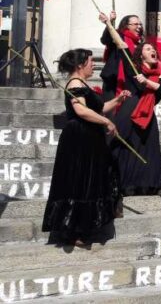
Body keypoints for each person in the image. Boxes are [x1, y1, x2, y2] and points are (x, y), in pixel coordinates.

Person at [43, 49, 127, 245]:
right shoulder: (74, 83)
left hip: (89, 138)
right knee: (78, 181)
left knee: (89, 181)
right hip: (79, 138)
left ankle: (84, 227)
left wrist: (118, 99)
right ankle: (73, 230)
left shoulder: (82, 84)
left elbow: (97, 108)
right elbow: (81, 110)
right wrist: (107, 123)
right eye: (90, 61)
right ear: (80, 65)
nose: (93, 65)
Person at [112, 42, 161, 198]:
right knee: (125, 148)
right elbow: (123, 50)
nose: (153, 51)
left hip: (147, 115)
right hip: (130, 111)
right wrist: (110, 23)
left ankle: (155, 185)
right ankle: (123, 185)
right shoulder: (134, 67)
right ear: (140, 54)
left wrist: (147, 81)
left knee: (150, 149)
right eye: (148, 49)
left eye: (154, 49)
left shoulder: (159, 75)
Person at [98, 12, 144, 100]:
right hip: (113, 80)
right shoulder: (119, 36)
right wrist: (110, 22)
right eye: (135, 24)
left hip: (131, 81)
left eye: (140, 24)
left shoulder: (139, 43)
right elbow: (105, 39)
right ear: (126, 26)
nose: (139, 27)